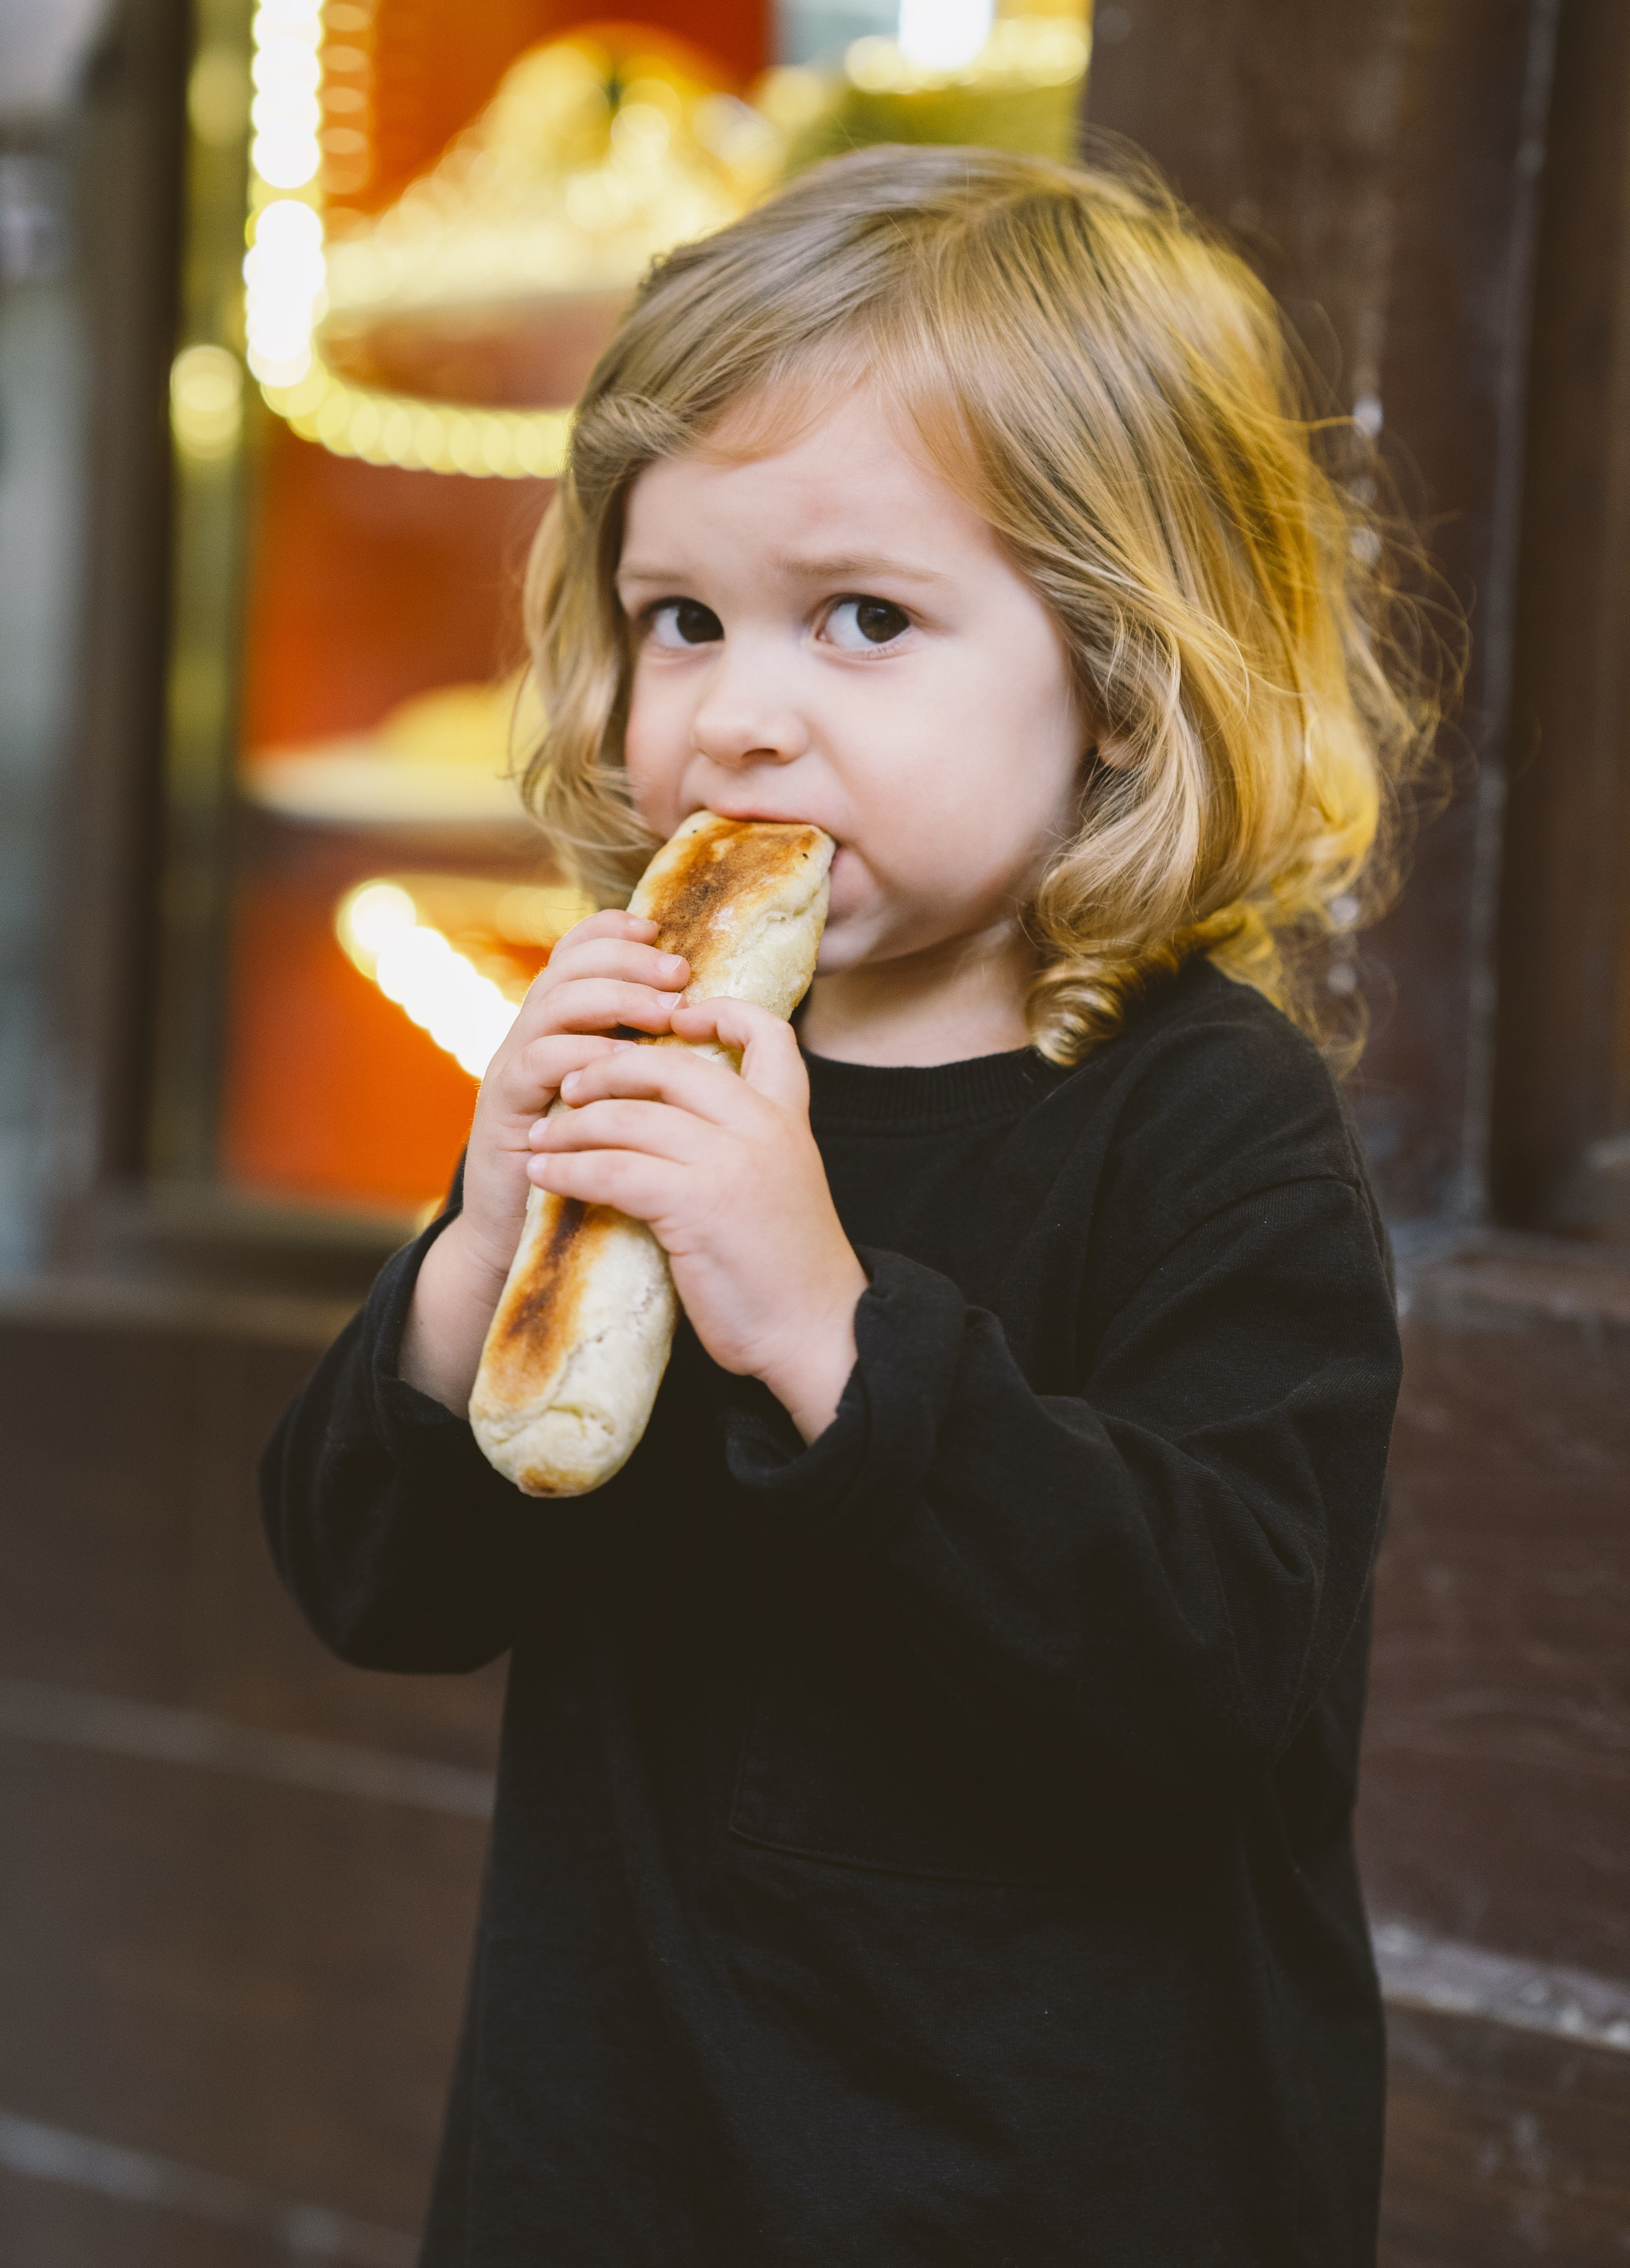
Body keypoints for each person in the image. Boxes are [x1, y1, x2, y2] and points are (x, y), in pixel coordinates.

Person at [262, 141, 1439, 2265]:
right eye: (678, 620)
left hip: (1042, 2184)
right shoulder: (650, 1051)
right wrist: (469, 1265)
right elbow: (379, 1586)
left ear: (1118, 675)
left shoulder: (1204, 1127)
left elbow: (1199, 1675)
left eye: (865, 621)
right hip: (616, 2159)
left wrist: (827, 1326)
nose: (738, 714)